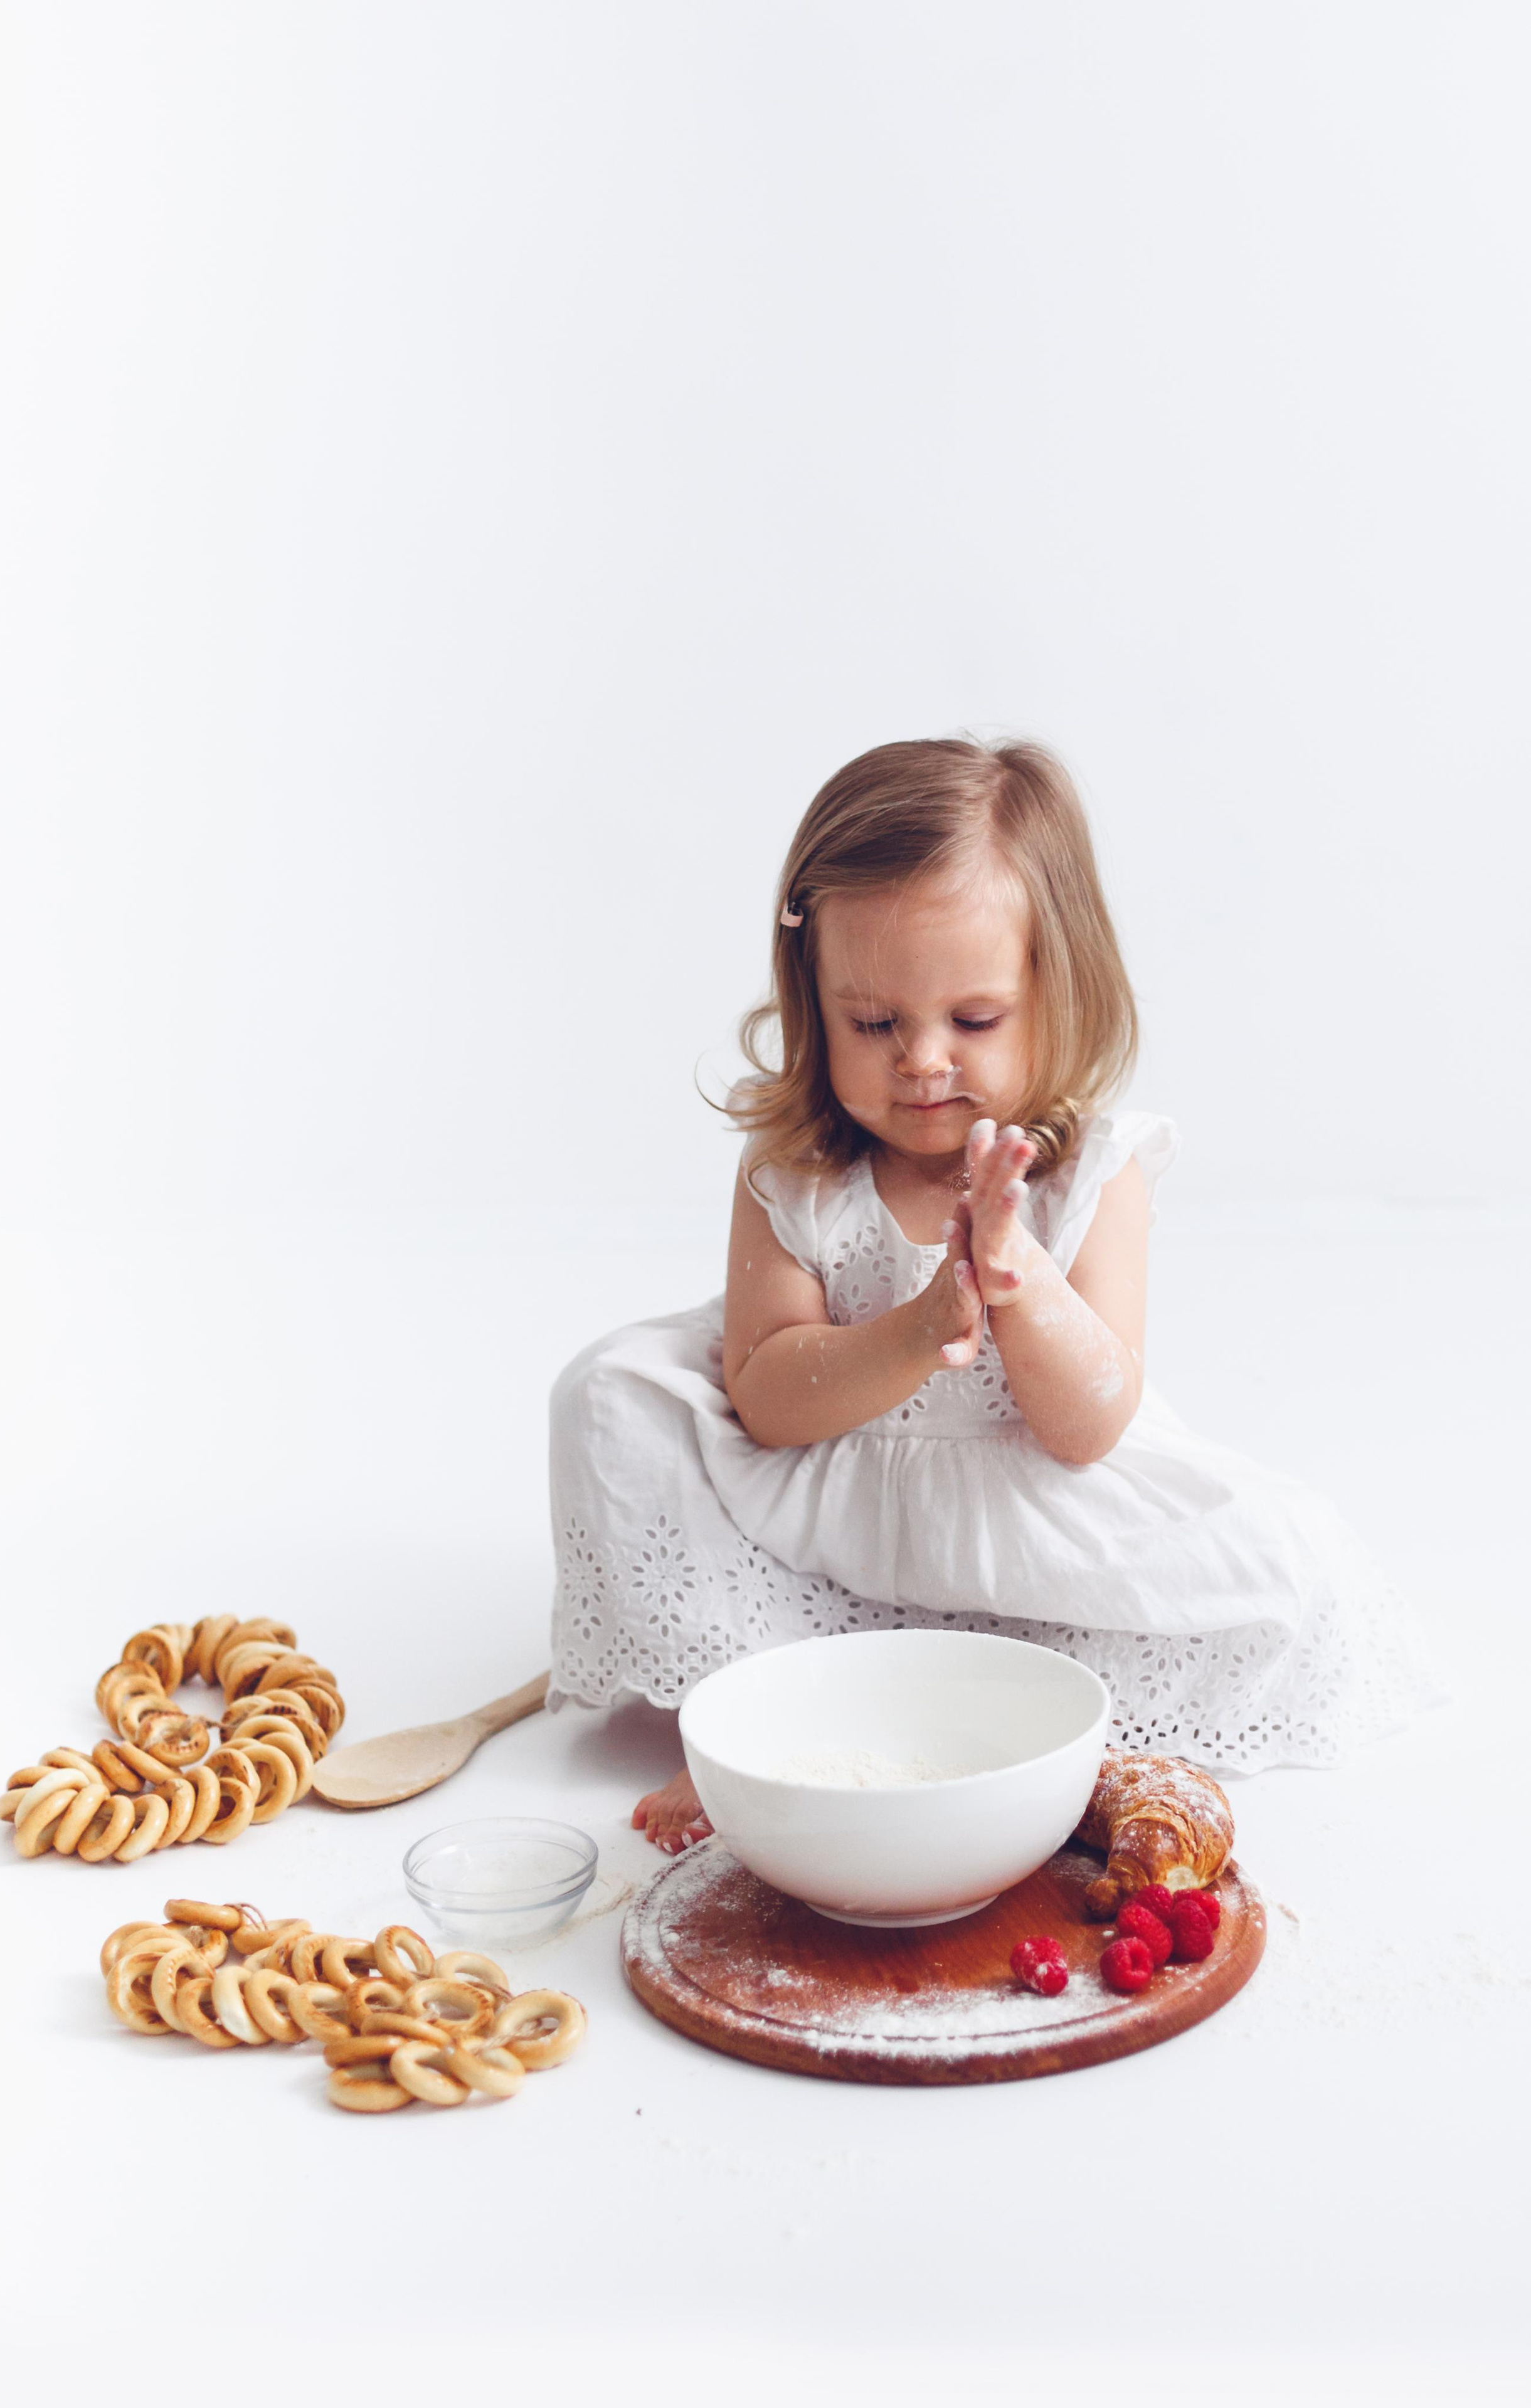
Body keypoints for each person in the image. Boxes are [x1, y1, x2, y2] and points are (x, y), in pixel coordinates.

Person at [547, 737, 1436, 1851]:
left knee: (1283, 1559)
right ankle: (748, 1724)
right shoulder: (800, 1169)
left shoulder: (1091, 1170)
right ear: (811, 1002)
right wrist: (922, 1327)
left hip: (1029, 1520)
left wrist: (1017, 1283)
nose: (922, 1060)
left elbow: (1090, 1423)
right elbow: (767, 1397)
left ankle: (1060, 1728)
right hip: (833, 1511)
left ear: (1057, 994)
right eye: (873, 1023)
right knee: (609, 1396)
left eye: (973, 1021)